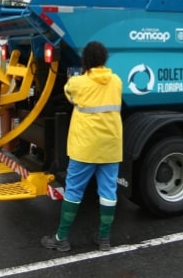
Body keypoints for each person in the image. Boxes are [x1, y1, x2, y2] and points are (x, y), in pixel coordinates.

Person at [41, 41, 123, 253]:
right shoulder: (116, 81)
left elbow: (68, 94)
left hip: (84, 148)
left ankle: (61, 238)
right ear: (104, 59)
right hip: (110, 148)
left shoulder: (78, 83)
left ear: (85, 60)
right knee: (108, 192)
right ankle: (104, 238)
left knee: (74, 192)